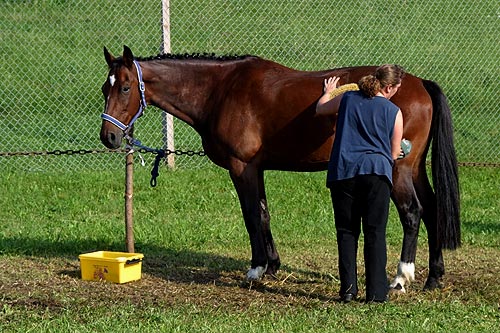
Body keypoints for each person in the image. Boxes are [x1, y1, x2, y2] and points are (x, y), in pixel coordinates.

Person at [316, 64, 405, 303]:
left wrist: (328, 92)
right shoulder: (394, 112)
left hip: (343, 171)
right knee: (375, 233)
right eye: (396, 88)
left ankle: (348, 291)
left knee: (346, 232)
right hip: (376, 173)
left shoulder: (347, 98)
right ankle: (376, 294)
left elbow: (321, 109)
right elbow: (394, 153)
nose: (396, 92)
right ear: (388, 87)